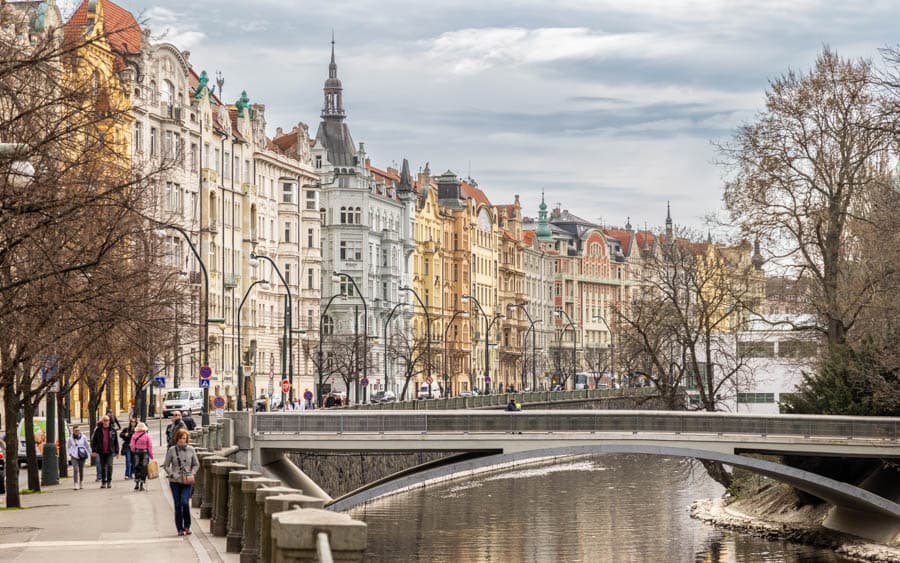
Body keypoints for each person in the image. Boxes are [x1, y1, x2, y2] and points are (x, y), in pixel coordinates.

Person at [163, 428, 199, 536]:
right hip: (175, 481)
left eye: (184, 438)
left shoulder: (191, 449)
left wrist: (192, 473)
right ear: (177, 439)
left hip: (187, 480)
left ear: (187, 439)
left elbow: (196, 464)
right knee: (178, 505)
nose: (182, 440)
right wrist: (171, 474)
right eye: (180, 438)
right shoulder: (172, 450)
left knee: (185, 502)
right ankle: (179, 528)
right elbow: (166, 465)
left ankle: (187, 526)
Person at [91, 415, 119, 488]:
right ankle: (103, 482)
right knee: (103, 467)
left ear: (109, 421)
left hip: (110, 451)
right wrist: (94, 450)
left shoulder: (113, 430)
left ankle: (109, 481)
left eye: (107, 420)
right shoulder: (98, 430)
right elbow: (94, 441)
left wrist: (117, 452)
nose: (106, 422)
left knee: (110, 466)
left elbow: (116, 442)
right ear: (102, 421)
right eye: (104, 420)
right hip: (101, 451)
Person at [130, 421, 154, 492]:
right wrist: (151, 455)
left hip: (137, 452)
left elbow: (132, 445)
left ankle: (137, 483)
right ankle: (141, 484)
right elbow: (150, 446)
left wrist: (134, 450)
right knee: (144, 468)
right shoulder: (147, 435)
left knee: (137, 467)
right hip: (144, 453)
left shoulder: (134, 435)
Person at [67, 425, 91, 490]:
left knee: (81, 470)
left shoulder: (83, 437)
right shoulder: (70, 438)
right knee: (75, 469)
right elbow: (68, 446)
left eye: (78, 430)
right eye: (76, 431)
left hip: (82, 455)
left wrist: (90, 452)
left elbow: (87, 445)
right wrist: (70, 453)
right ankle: (75, 484)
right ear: (73, 431)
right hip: (74, 456)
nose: (77, 432)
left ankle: (81, 482)